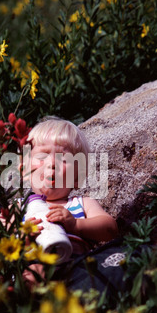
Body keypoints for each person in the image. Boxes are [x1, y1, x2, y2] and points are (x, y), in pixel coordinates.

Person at [18, 116, 120, 289]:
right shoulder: (18, 209)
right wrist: (22, 239)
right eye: (42, 156)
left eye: (63, 160)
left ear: (77, 177)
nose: (51, 164)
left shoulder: (80, 204)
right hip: (33, 272)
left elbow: (110, 229)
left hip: (78, 273)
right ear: (24, 170)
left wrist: (76, 224)